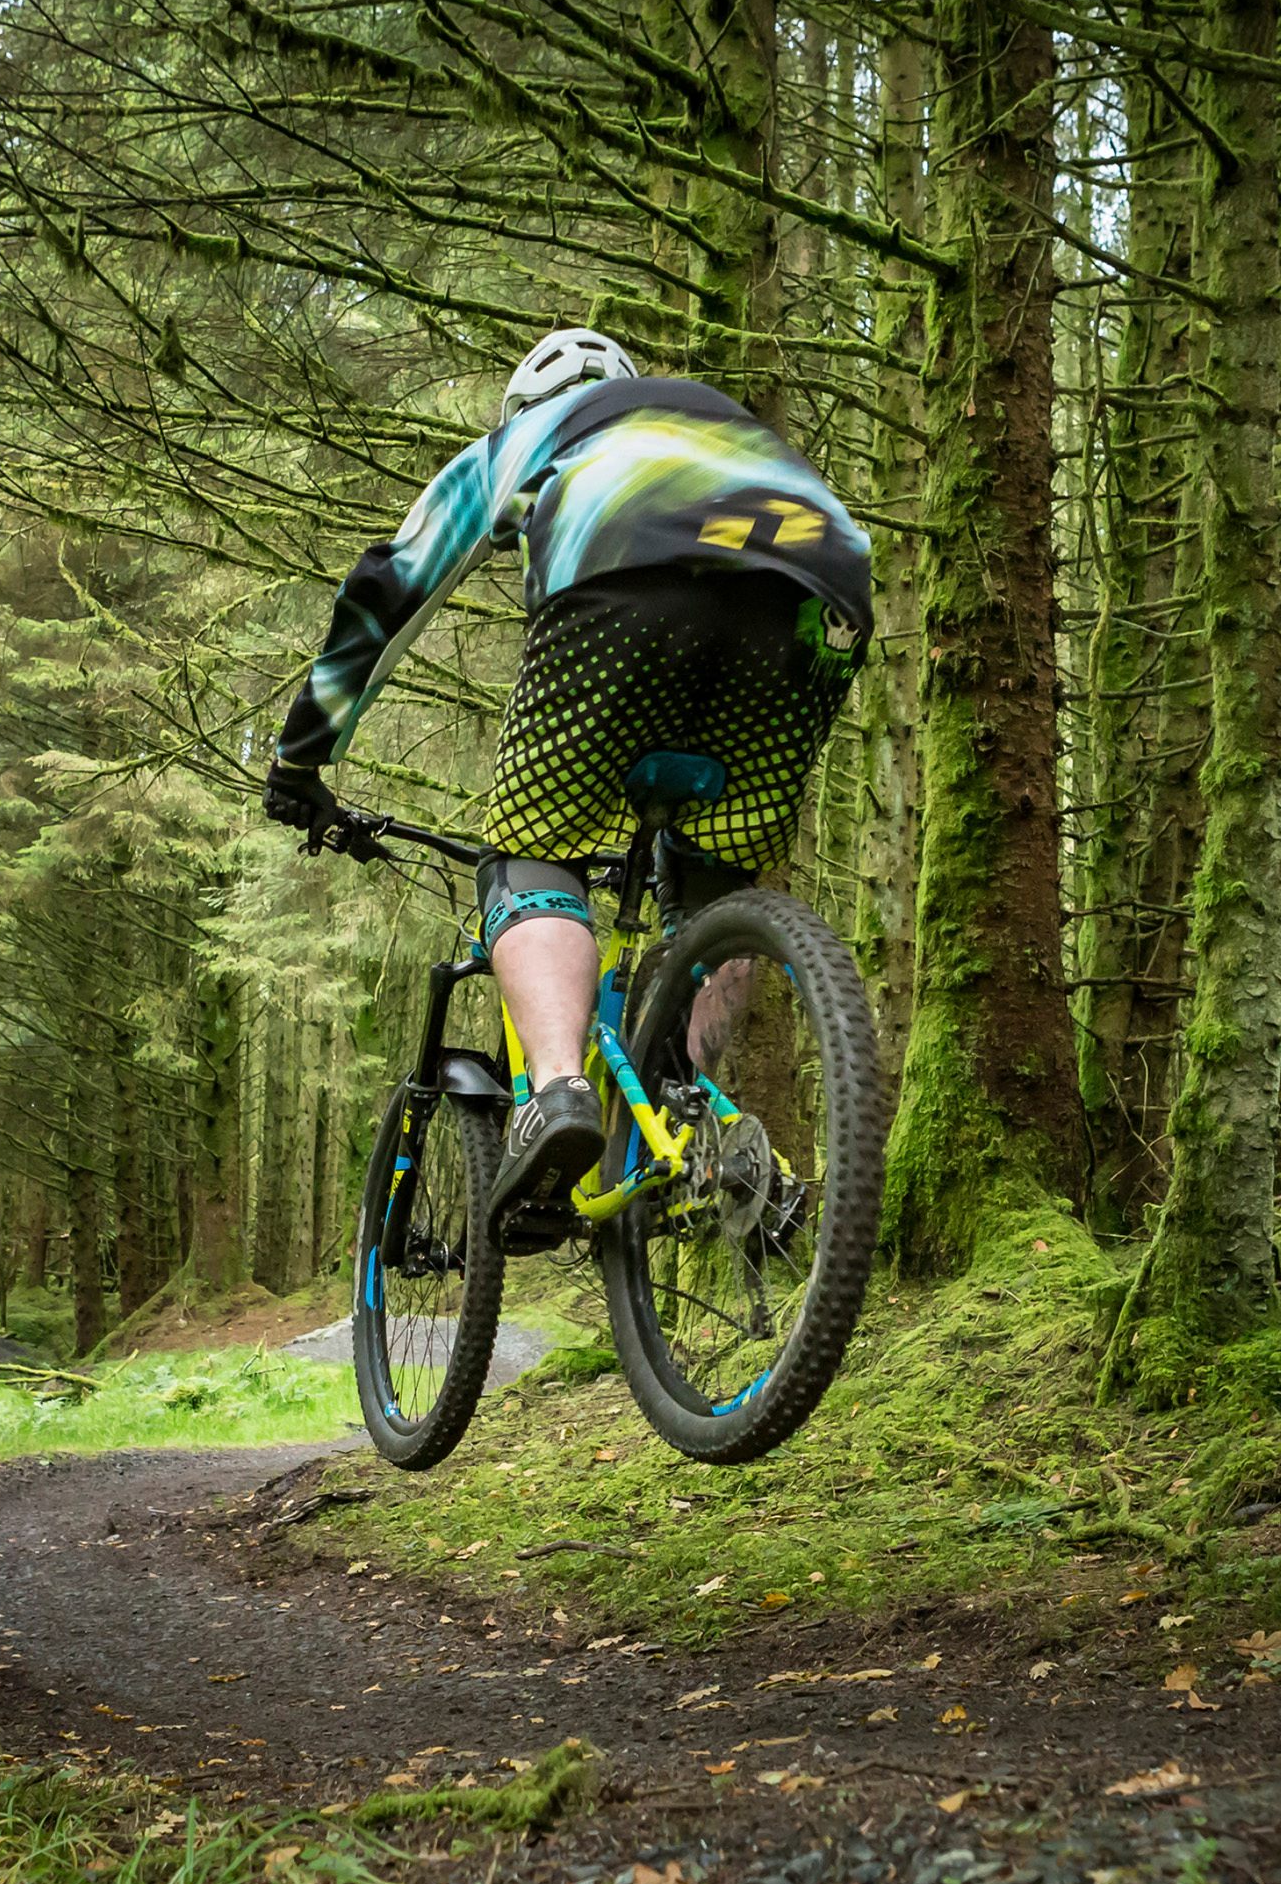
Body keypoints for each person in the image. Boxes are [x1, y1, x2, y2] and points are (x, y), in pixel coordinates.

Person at [265, 329, 873, 1229]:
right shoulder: (722, 425)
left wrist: (301, 756)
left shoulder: (539, 434)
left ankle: (553, 1094)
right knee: (713, 887)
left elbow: (391, 589)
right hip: (821, 588)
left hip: (626, 563)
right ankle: (692, 1117)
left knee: (530, 849)